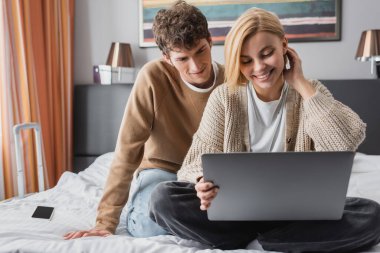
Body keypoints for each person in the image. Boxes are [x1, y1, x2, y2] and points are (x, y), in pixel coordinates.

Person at [149, 7, 380, 252]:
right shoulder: (224, 98)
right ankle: (280, 239)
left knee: (373, 215)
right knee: (162, 198)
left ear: (284, 45)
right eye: (246, 61)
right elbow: (194, 161)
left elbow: (344, 143)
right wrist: (201, 182)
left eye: (267, 54)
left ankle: (265, 240)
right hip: (236, 214)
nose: (259, 67)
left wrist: (301, 83)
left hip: (299, 214)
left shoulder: (310, 91)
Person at [64, 0, 224, 239]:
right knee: (149, 224)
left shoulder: (232, 79)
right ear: (167, 58)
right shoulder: (152, 76)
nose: (196, 66)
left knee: (230, 211)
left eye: (201, 51)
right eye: (182, 59)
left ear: (210, 41)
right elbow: (127, 150)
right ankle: (141, 208)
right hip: (163, 173)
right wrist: (106, 222)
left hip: (208, 175)